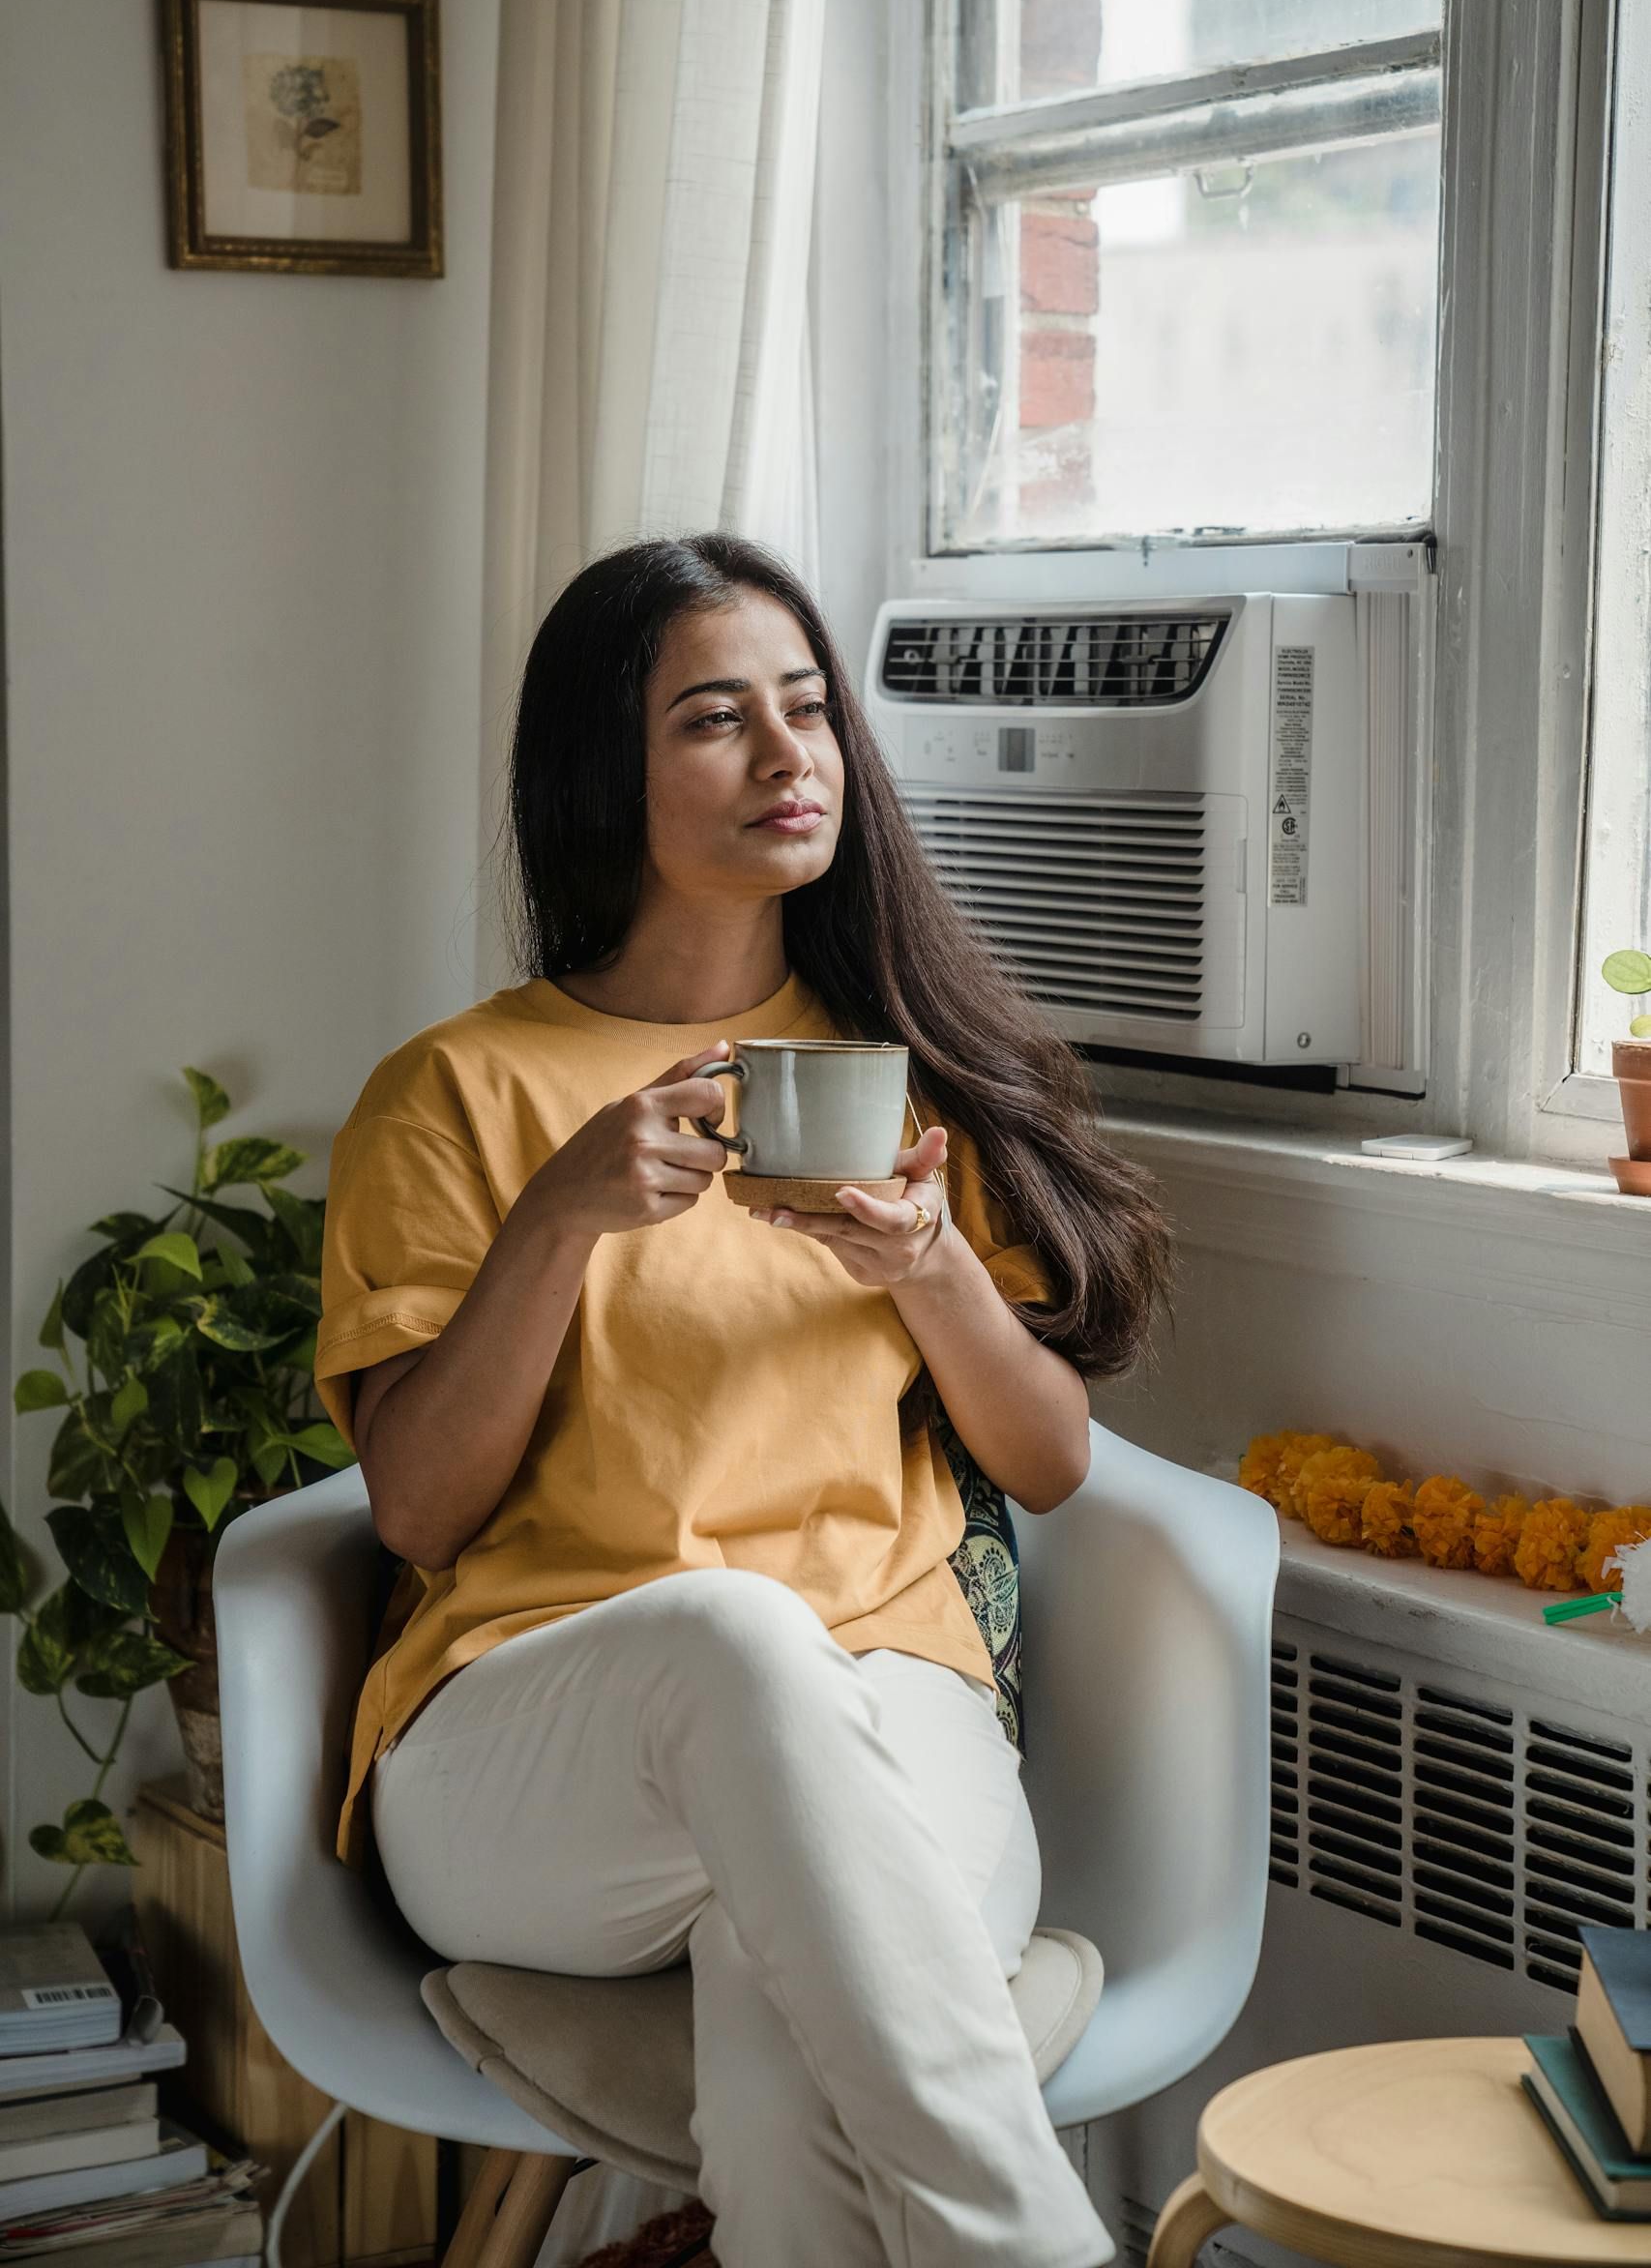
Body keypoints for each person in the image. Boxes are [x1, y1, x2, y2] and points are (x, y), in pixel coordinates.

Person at [315, 534, 1171, 2268]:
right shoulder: (454, 1094)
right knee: (733, 1637)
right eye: (717, 719)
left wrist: (925, 1265)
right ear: (600, 771)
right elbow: (415, 1512)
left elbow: (1051, 1462)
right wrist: (557, 1217)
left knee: (789, 2029)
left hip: (896, 1707)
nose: (792, 759)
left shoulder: (897, 1078)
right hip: (536, 1746)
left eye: (809, 710)